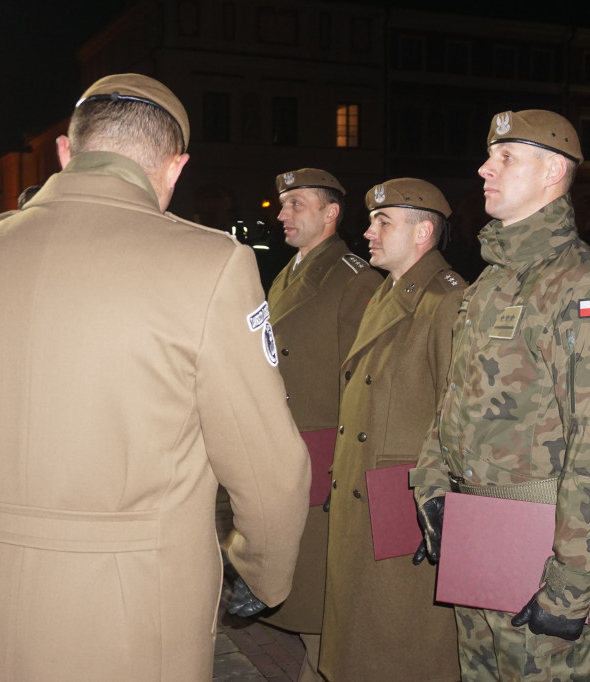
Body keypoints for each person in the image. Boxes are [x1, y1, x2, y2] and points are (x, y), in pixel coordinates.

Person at [0, 73, 310, 681]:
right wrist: (262, 571)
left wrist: (14, 518)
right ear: (175, 168)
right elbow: (267, 466)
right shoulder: (209, 263)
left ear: (67, 153)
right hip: (137, 600)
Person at [410, 109, 590, 681]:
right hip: (480, 532)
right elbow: (455, 400)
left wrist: (570, 584)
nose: (485, 168)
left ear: (552, 171)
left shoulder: (586, 289)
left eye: (506, 157)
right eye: (491, 155)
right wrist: (433, 483)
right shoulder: (492, 280)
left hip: (541, 545)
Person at [318, 178, 463, 682]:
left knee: (402, 646)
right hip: (368, 491)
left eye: (384, 221)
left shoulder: (447, 301)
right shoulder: (388, 293)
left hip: (404, 501)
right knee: (362, 641)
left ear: (423, 231)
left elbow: (454, 414)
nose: (368, 231)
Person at [251, 168, 380, 681]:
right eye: (282, 204)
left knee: (323, 603)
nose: (282, 214)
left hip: (324, 461)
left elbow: (362, 382)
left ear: (331, 213)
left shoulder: (355, 279)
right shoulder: (290, 272)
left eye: (295, 204)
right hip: (289, 455)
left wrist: (343, 464)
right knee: (306, 599)